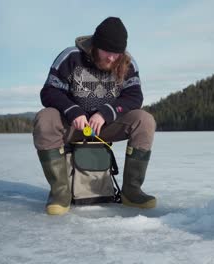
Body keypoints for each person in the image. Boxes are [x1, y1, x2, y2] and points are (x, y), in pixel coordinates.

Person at [33, 17, 156, 215]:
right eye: (107, 51)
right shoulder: (71, 57)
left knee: (144, 120)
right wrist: (72, 111)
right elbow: (49, 91)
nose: (112, 58)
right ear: (95, 45)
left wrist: (107, 113)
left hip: (106, 126)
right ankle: (60, 193)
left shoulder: (127, 62)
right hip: (73, 126)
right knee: (45, 118)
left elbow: (134, 96)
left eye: (117, 53)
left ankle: (131, 191)